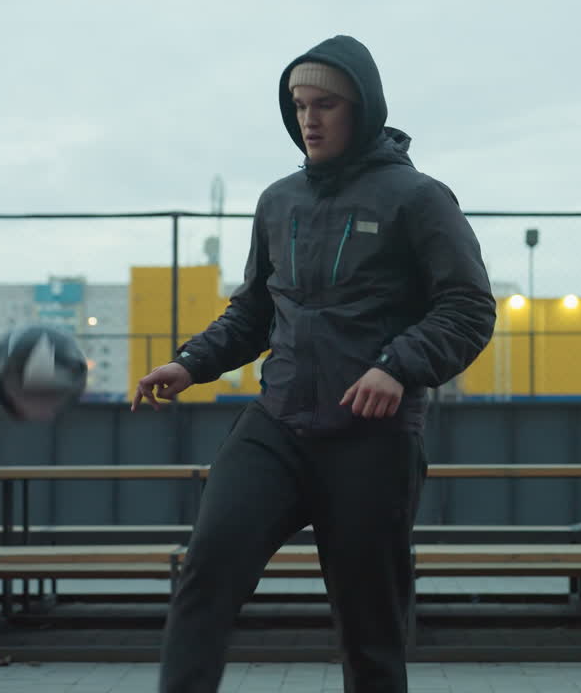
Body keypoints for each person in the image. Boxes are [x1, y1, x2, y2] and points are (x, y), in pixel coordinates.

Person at [132, 34, 496, 693]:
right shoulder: (279, 202)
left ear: (364, 108)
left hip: (372, 440)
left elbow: (468, 309)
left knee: (370, 628)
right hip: (275, 427)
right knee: (206, 573)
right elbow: (254, 314)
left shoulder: (419, 200)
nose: (309, 119)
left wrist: (399, 366)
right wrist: (189, 363)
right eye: (299, 105)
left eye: (326, 103)